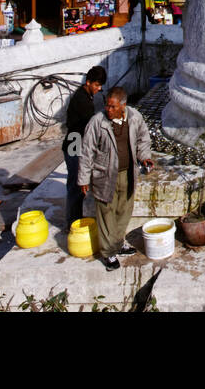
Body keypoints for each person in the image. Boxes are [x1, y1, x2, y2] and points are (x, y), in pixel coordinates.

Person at [78, 86, 153, 271]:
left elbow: (143, 138)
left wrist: (144, 156)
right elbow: (87, 151)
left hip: (127, 173)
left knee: (124, 210)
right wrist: (84, 178)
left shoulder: (134, 118)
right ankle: (108, 252)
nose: (108, 110)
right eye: (107, 106)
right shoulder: (97, 122)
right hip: (104, 174)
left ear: (123, 106)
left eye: (112, 107)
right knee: (106, 213)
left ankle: (118, 244)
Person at [62, 65, 107, 227]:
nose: (98, 89)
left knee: (78, 182)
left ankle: (76, 217)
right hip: (74, 145)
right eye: (96, 85)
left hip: (76, 142)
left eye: (100, 86)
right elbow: (90, 128)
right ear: (88, 82)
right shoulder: (82, 101)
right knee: (76, 184)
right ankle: (72, 222)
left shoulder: (85, 96)